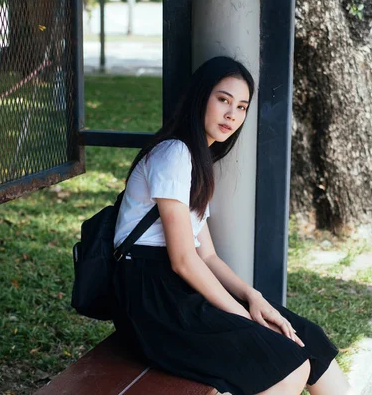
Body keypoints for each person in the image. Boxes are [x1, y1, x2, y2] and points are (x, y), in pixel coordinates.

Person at [112, 56, 353, 395]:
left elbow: (207, 256)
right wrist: (241, 316)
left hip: (176, 286)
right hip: (152, 298)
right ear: (200, 98)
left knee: (305, 339)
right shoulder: (174, 155)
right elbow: (183, 260)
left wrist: (253, 298)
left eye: (241, 106)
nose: (232, 115)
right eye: (223, 100)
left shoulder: (195, 161)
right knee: (288, 365)